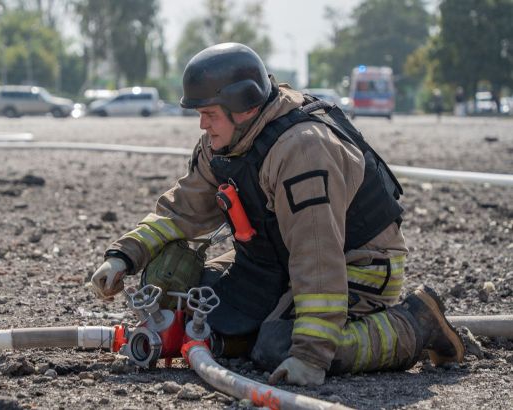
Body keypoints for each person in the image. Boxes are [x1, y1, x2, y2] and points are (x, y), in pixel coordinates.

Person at [91, 43, 464, 386]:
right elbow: (183, 209)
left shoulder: (302, 150)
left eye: (209, 114)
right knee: (185, 296)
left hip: (356, 266)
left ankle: (417, 322)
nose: (202, 125)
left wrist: (311, 356)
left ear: (246, 107)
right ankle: (263, 326)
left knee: (275, 348)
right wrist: (124, 255)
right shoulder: (227, 141)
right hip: (277, 258)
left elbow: (317, 256)